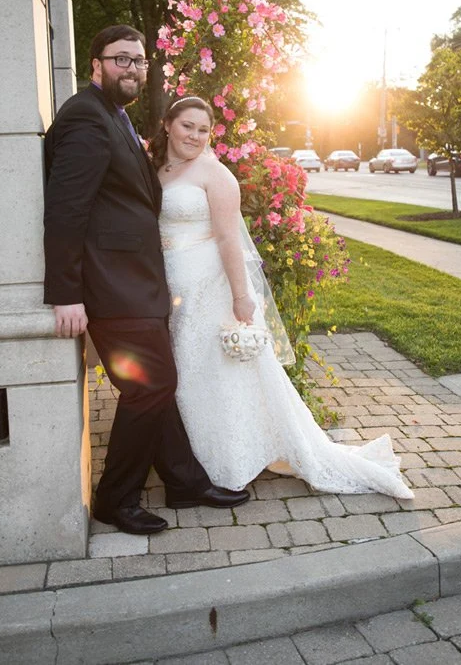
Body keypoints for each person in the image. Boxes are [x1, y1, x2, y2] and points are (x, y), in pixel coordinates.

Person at [43, 25, 250, 534]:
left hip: (137, 283)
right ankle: (116, 498)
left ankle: (184, 482)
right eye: (120, 59)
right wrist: (66, 293)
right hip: (112, 287)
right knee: (151, 387)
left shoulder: (112, 116)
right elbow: (66, 211)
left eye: (138, 61)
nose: (132, 68)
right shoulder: (87, 119)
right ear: (96, 64)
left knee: (154, 386)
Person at [154, 94, 413, 499]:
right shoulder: (160, 169)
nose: (195, 135)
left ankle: (229, 462)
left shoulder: (214, 174)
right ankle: (198, 460)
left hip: (211, 291)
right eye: (188, 126)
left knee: (220, 377)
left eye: (203, 130)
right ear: (167, 124)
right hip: (174, 293)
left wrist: (242, 297)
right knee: (190, 377)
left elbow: (228, 238)